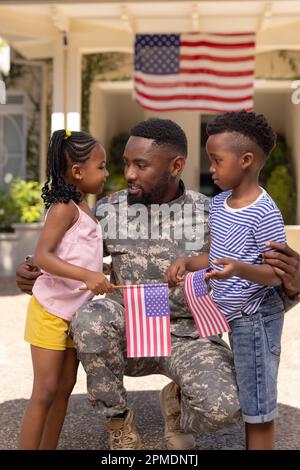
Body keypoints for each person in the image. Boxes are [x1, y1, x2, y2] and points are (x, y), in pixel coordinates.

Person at [15, 118, 300, 451]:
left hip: (189, 334)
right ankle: (118, 420)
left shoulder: (212, 212)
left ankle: (177, 404)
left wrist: (292, 286)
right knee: (89, 319)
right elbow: (69, 255)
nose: (129, 174)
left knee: (228, 408)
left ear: (176, 166)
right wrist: (32, 272)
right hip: (127, 330)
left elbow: (253, 277)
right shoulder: (108, 209)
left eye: (141, 165)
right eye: (125, 164)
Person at [166, 110, 289, 450]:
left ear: (246, 160)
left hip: (256, 317)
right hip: (228, 314)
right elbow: (217, 255)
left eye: (217, 161)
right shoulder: (220, 204)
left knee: (257, 397)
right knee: (243, 386)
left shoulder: (265, 212)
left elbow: (275, 273)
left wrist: (238, 269)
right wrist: (188, 261)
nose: (212, 169)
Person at [19, 129, 113, 450]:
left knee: (63, 389)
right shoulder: (64, 208)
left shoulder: (84, 209)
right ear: (77, 171)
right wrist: (88, 275)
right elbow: (43, 255)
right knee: (44, 391)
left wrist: (102, 274)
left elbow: (75, 254)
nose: (106, 173)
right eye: (101, 166)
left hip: (76, 315)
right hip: (50, 311)